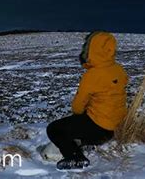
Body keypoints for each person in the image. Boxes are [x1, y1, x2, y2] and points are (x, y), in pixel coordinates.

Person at [46, 31, 128, 170]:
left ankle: (75, 157)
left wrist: (81, 114)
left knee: (54, 129)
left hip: (99, 128)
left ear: (92, 50)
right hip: (115, 126)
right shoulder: (118, 69)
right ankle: (86, 144)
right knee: (82, 121)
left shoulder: (92, 75)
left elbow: (77, 108)